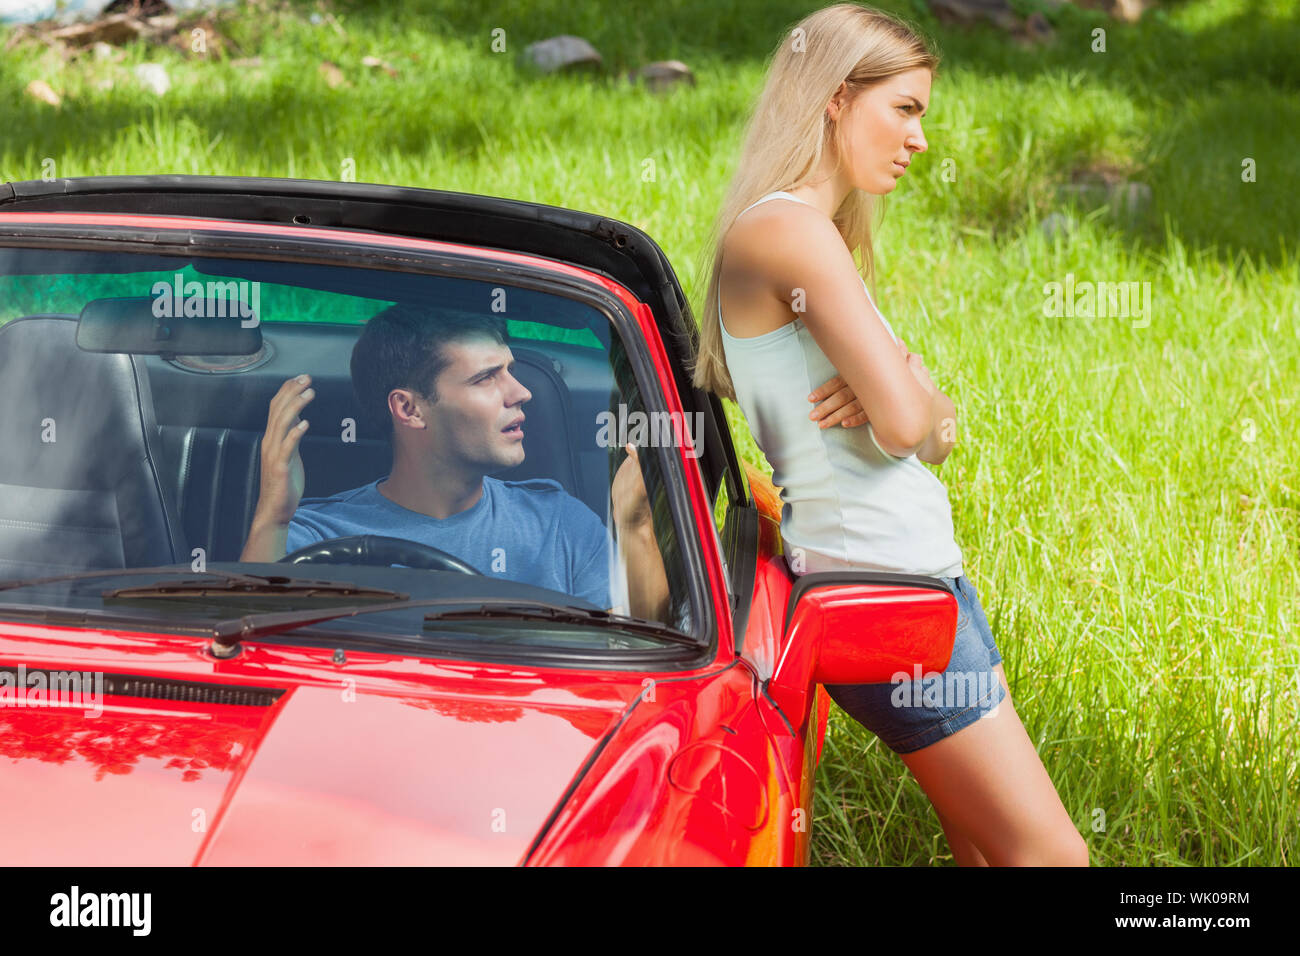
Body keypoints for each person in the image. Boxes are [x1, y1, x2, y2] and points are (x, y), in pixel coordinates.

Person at [688, 3, 1087, 866]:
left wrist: (909, 393)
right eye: (903, 108)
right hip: (887, 591)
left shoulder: (813, 235)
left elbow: (938, 430)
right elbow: (914, 421)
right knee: (1053, 858)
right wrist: (904, 388)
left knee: (987, 851)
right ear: (836, 97)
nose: (920, 139)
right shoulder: (785, 231)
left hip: (912, 581)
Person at [239, 303, 672, 623]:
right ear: (409, 409)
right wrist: (271, 519)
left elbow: (637, 646)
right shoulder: (319, 537)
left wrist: (635, 527)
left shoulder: (559, 523)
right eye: (486, 378)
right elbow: (249, 638)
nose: (521, 392)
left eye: (509, 370)